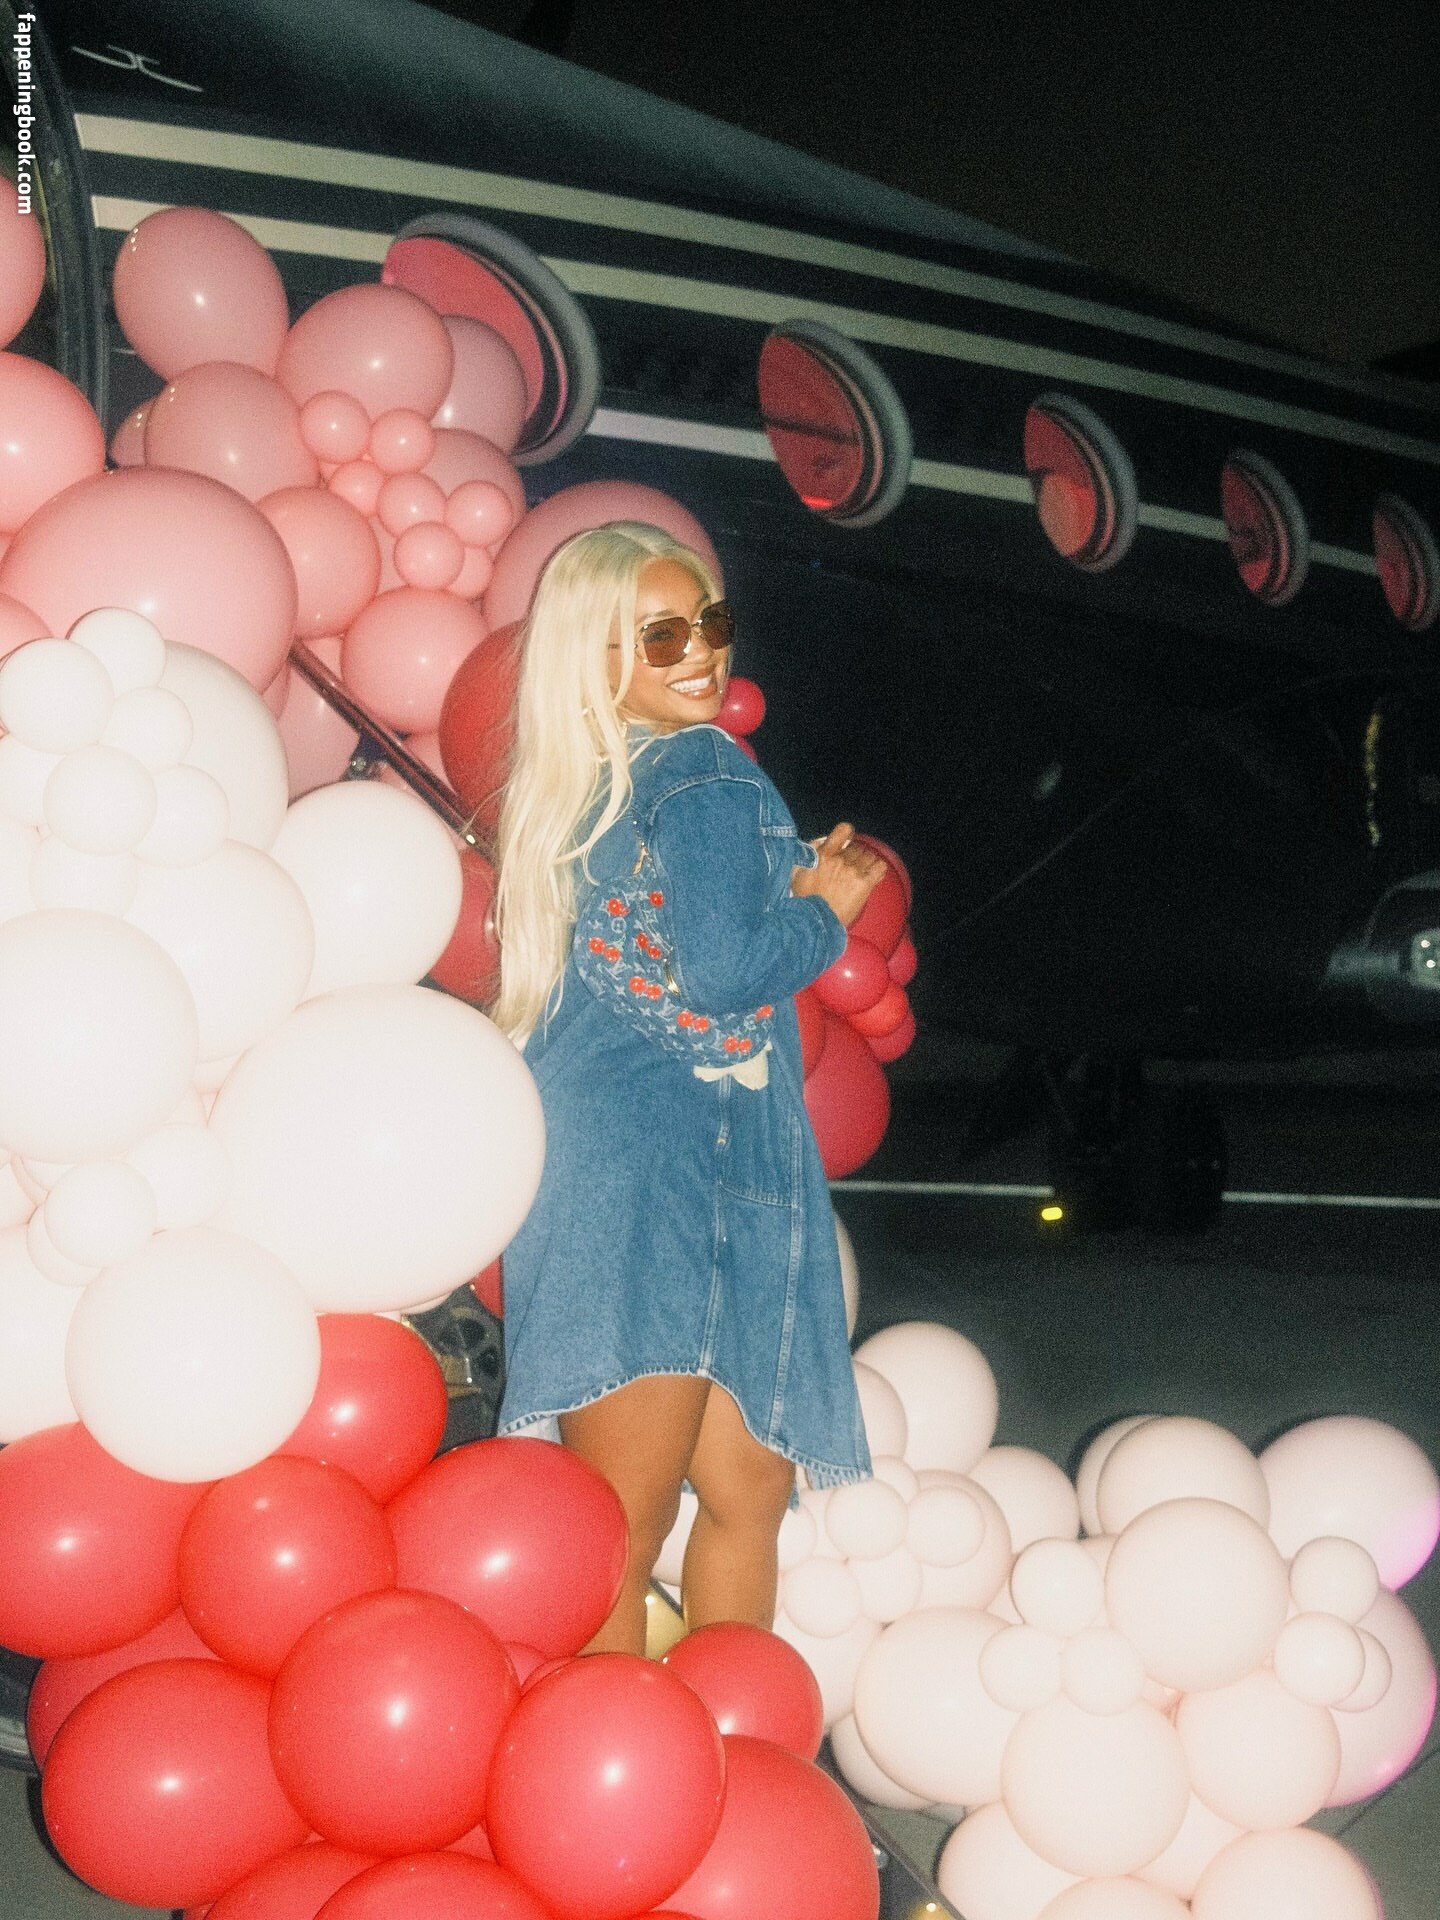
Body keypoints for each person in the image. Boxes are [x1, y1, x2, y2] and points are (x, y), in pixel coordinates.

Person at [492, 520, 886, 1655]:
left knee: (725, 1493)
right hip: (675, 1175)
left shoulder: (585, 787)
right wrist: (827, 913)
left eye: (709, 622)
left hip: (625, 1167)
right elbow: (720, 973)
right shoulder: (704, 771)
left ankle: (704, 1740)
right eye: (661, 635)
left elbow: (675, 945)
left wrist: (787, 883)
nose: (701, 652)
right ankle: (671, 1753)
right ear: (597, 657)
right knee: (642, 1516)